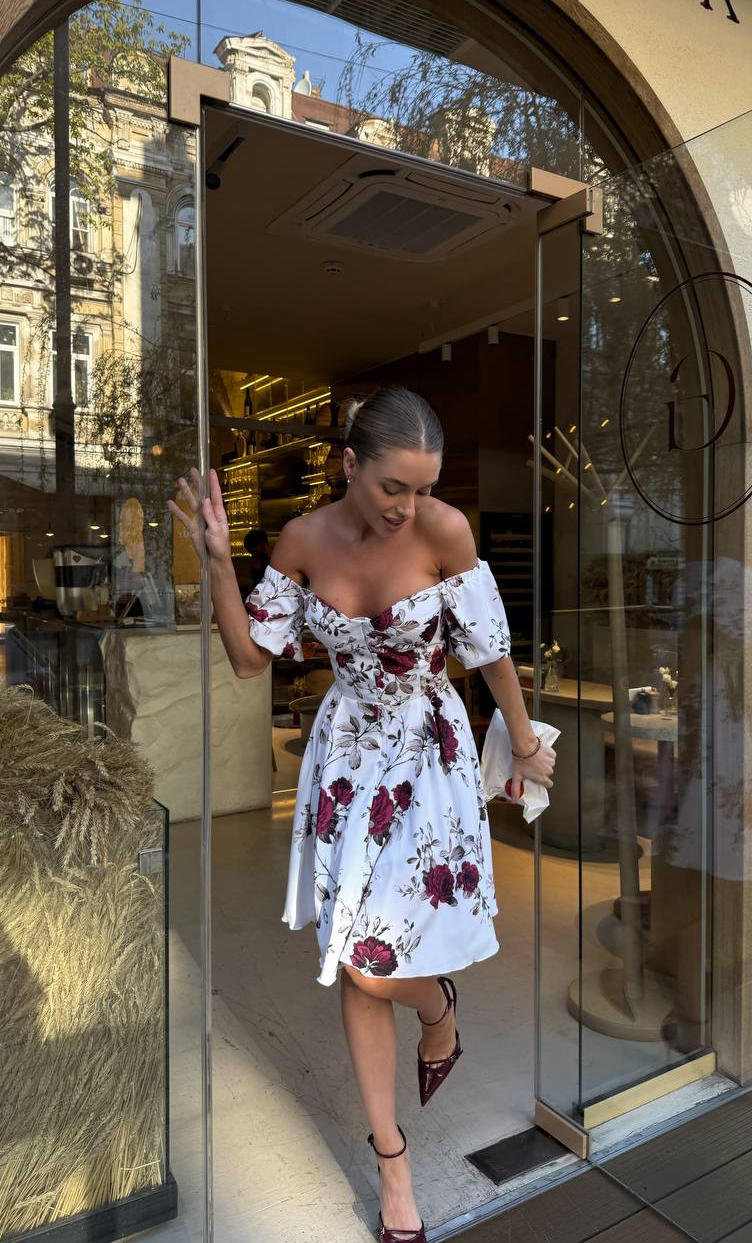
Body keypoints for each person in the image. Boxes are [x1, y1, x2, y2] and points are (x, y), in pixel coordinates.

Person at [168, 386, 556, 1243]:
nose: (407, 507)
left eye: (422, 488)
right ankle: (394, 1166)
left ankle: (435, 1007)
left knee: (374, 965)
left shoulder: (445, 533)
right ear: (349, 465)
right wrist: (220, 563)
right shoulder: (304, 539)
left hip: (429, 756)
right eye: (392, 487)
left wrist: (523, 744)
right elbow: (247, 659)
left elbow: (489, 650)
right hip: (346, 760)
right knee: (356, 962)